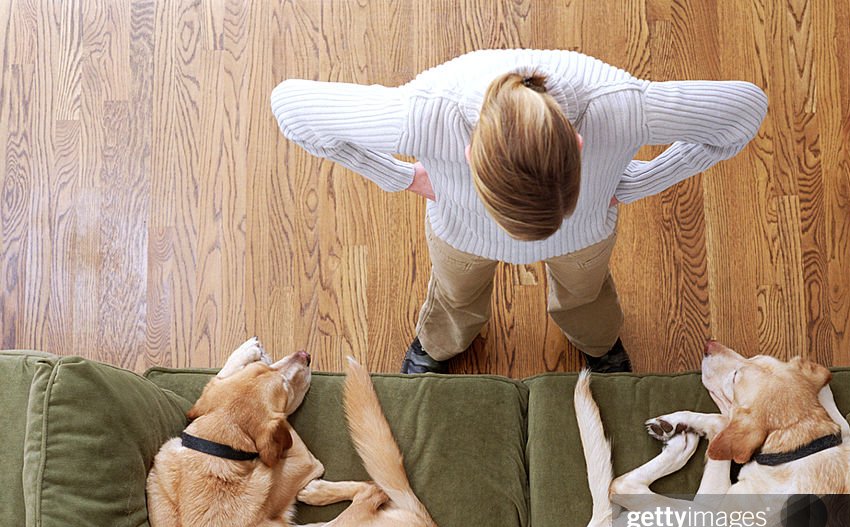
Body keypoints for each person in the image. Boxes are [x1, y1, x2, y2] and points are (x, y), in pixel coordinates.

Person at [272, 49, 767, 374]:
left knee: (585, 295)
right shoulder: (426, 112)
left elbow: (747, 109)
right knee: (455, 296)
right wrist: (401, 176)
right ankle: (439, 345)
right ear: (470, 158)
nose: (525, 249)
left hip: (584, 234)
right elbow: (289, 107)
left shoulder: (620, 108)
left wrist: (642, 180)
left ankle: (598, 345)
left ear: (577, 145)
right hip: (465, 233)